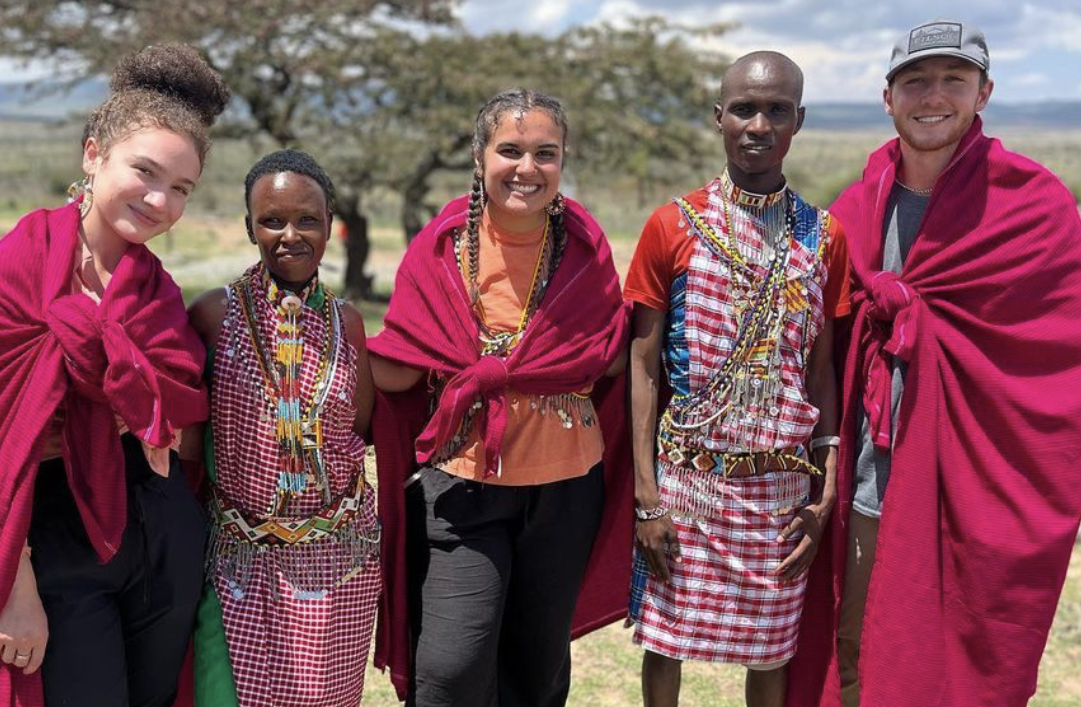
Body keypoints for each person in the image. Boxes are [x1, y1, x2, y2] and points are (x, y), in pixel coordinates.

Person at [787, 19, 1081, 707]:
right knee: (855, 648)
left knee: (959, 662)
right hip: (867, 483)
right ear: (887, 98)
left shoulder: (1034, 208)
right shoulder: (853, 210)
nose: (932, 96)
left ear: (984, 93)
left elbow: (1054, 363)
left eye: (953, 79)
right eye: (914, 80)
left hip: (979, 487)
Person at [0, 45, 230, 707]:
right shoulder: (9, 278)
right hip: (52, 534)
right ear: (93, 155)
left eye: (181, 187)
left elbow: (180, 407)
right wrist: (14, 583)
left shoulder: (155, 288)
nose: (160, 201)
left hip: (161, 530)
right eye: (145, 172)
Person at [367, 88, 634, 707]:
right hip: (461, 485)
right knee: (452, 667)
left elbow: (608, 354)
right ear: (479, 154)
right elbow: (408, 358)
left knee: (536, 670)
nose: (527, 168)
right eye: (510, 150)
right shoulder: (438, 249)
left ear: (563, 162)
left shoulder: (587, 252)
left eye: (546, 153)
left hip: (566, 490)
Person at [624, 51, 850, 707]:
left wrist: (824, 491)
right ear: (718, 117)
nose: (758, 124)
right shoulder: (673, 225)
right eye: (744, 109)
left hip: (779, 488)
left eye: (776, 109)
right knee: (665, 642)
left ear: (798, 121)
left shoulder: (822, 236)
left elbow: (820, 371)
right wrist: (648, 499)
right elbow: (641, 368)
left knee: (770, 650)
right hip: (687, 480)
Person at [182, 149, 380, 707]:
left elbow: (359, 428)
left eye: (307, 220)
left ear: (330, 226)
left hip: (335, 564)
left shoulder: (349, 324)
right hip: (239, 563)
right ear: (250, 227)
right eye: (272, 220)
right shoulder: (213, 317)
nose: (290, 235)